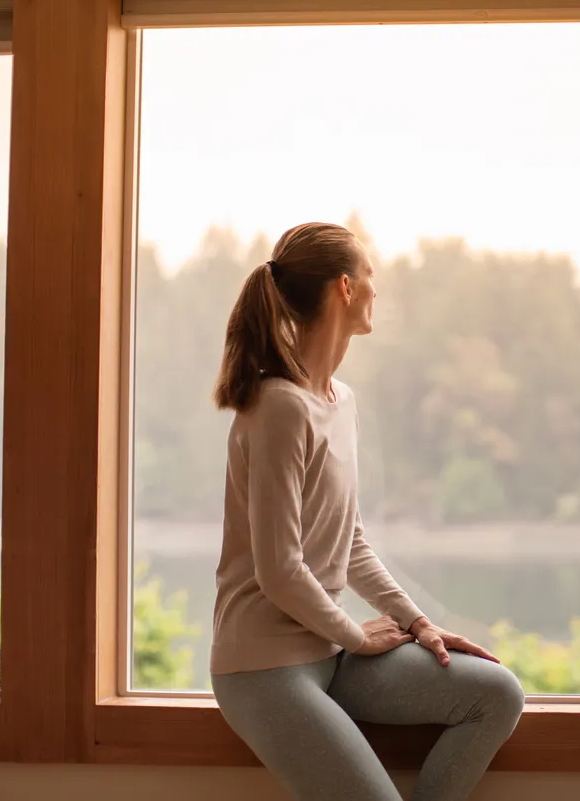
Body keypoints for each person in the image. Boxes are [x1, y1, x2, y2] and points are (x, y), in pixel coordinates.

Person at [209, 221, 524, 801]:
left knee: (497, 694)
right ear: (345, 289)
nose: (378, 290)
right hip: (265, 667)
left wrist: (418, 624)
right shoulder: (279, 406)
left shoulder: (339, 400)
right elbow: (279, 569)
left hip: (330, 652)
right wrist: (356, 636)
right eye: (371, 276)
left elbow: (349, 543)